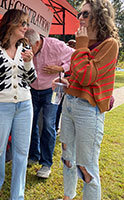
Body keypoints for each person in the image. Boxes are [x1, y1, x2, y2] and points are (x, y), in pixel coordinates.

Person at [55, 0, 120, 199]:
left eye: (85, 14)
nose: (80, 18)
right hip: (69, 104)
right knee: (67, 156)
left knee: (86, 165)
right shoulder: (85, 45)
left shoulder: (110, 44)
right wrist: (66, 81)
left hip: (88, 110)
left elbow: (87, 77)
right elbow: (78, 77)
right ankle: (68, 196)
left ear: (99, 16)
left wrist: (81, 47)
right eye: (79, 14)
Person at [0, 9, 37, 200]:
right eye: (23, 23)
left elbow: (32, 79)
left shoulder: (25, 46)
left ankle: (17, 195)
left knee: (21, 152)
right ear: (11, 24)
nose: (26, 27)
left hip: (24, 105)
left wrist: (28, 64)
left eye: (27, 24)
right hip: (0, 105)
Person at [24, 28, 74, 178]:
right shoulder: (27, 49)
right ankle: (34, 155)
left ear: (38, 42)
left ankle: (46, 164)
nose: (27, 51)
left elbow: (75, 57)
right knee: (31, 122)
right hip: (33, 89)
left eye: (29, 47)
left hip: (53, 89)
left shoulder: (55, 45)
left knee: (48, 124)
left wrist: (61, 68)